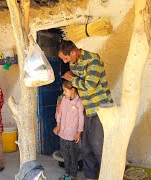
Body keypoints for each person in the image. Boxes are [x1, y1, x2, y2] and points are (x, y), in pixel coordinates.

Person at [58, 40, 113, 180]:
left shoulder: (93, 60)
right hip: (87, 109)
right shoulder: (73, 63)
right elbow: (78, 81)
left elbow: (90, 85)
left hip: (101, 110)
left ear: (73, 52)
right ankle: (90, 177)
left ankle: (109, 176)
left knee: (99, 148)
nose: (65, 62)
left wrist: (72, 78)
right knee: (87, 148)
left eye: (65, 58)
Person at [53, 81, 84, 180]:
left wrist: (79, 132)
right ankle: (67, 173)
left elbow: (81, 119)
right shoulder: (64, 100)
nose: (64, 93)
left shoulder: (79, 103)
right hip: (63, 133)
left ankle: (73, 176)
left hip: (73, 135)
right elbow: (60, 113)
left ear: (73, 90)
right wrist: (58, 125)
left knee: (73, 157)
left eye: (65, 91)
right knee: (65, 155)